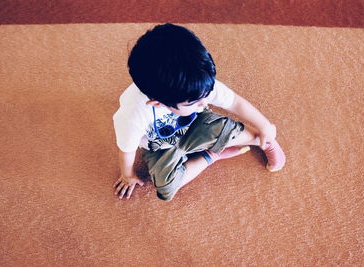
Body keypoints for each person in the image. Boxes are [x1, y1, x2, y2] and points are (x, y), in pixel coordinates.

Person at [113, 23, 286, 201]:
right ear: (158, 103)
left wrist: (264, 126)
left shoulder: (198, 84)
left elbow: (235, 102)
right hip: (159, 147)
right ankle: (211, 155)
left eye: (206, 95)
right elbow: (127, 150)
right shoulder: (132, 115)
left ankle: (262, 140)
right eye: (196, 102)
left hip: (197, 125)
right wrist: (128, 175)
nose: (205, 101)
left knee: (224, 129)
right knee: (166, 187)